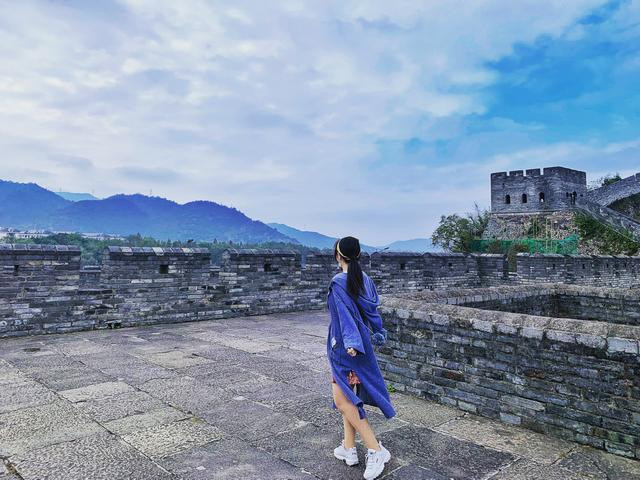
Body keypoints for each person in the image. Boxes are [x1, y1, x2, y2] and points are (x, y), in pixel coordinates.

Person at [326, 236, 396, 480]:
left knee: (342, 400)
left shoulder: (338, 283)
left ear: (338, 256)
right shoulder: (364, 278)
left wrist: (351, 344)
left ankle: (376, 450)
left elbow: (343, 316)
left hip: (346, 348)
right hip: (361, 343)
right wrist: (378, 332)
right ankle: (348, 447)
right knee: (349, 397)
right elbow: (373, 313)